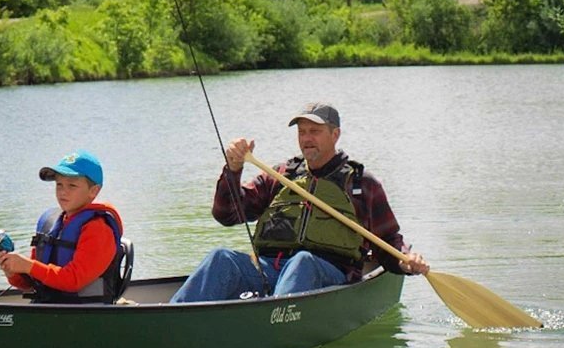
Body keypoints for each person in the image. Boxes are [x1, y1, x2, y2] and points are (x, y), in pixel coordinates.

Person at [170, 102, 429, 303]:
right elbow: (226, 214)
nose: (306, 139)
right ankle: (173, 319)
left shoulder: (361, 184)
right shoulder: (281, 175)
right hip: (269, 270)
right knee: (221, 257)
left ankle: (273, 319)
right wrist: (233, 169)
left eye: (315, 132)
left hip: (328, 273)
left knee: (303, 261)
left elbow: (389, 240)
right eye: (302, 132)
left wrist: (405, 260)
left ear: (335, 134)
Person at [0, 149, 125, 303]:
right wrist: (12, 269)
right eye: (59, 185)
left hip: (85, 315)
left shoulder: (99, 229)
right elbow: (30, 283)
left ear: (93, 191)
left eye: (72, 185)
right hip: (49, 309)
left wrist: (28, 266)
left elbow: (73, 280)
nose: (63, 192)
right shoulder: (51, 223)